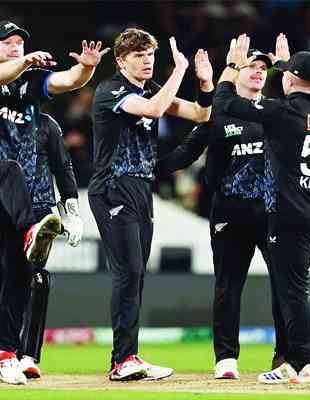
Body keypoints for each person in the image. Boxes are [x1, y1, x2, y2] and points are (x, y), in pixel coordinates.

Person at [0, 20, 107, 385]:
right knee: (10, 169)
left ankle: (3, 351)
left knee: (19, 273)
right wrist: (24, 61)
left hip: (8, 200)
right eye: (7, 42)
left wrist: (87, 68)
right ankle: (32, 231)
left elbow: (66, 81)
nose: (15, 47)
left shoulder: (30, 86)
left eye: (20, 43)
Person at [215, 34, 310, 384]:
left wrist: (232, 66)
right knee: (297, 286)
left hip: (290, 215)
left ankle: (300, 363)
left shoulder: (282, 112)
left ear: (289, 80)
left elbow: (225, 103)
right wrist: (288, 66)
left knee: (292, 291)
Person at [88, 28, 212, 381]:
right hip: (113, 188)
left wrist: (205, 84)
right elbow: (155, 110)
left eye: (150, 55)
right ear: (121, 61)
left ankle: (128, 356)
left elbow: (199, 114)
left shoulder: (151, 89)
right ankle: (122, 360)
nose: (147, 61)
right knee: (128, 272)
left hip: (142, 188)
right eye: (139, 55)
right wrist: (179, 70)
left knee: (137, 275)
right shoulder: (111, 90)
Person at [0, 112, 82, 379]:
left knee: (32, 276)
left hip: (39, 210)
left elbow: (63, 168)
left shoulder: (47, 124)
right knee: (4, 275)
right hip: (0, 209)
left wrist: (72, 211)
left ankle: (23, 355)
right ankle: (5, 349)